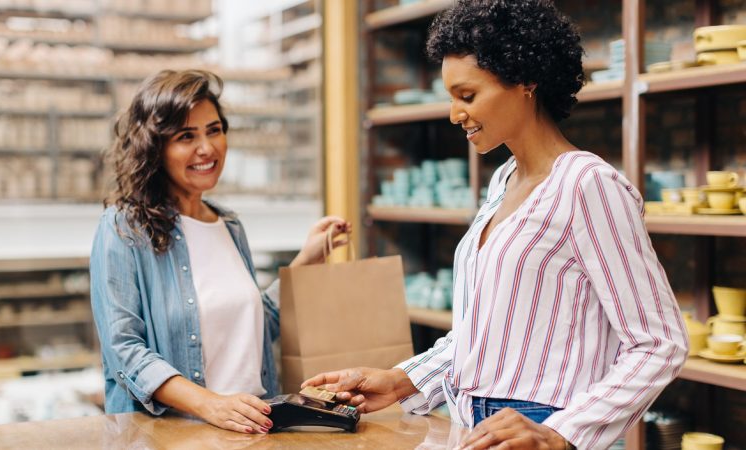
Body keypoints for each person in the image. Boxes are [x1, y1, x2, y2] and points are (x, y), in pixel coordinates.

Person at [303, 1, 688, 449]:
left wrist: (561, 432)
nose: (454, 114)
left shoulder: (588, 185)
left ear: (526, 82)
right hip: (472, 425)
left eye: (467, 96)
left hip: (537, 429)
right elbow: (487, 335)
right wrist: (400, 380)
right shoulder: (504, 181)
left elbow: (659, 343)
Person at [90, 69, 351, 435]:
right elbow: (124, 350)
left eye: (214, 130)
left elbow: (255, 329)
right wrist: (211, 404)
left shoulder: (229, 224)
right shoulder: (123, 228)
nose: (207, 148)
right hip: (177, 437)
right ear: (156, 146)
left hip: (255, 431)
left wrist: (305, 261)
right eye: (186, 136)